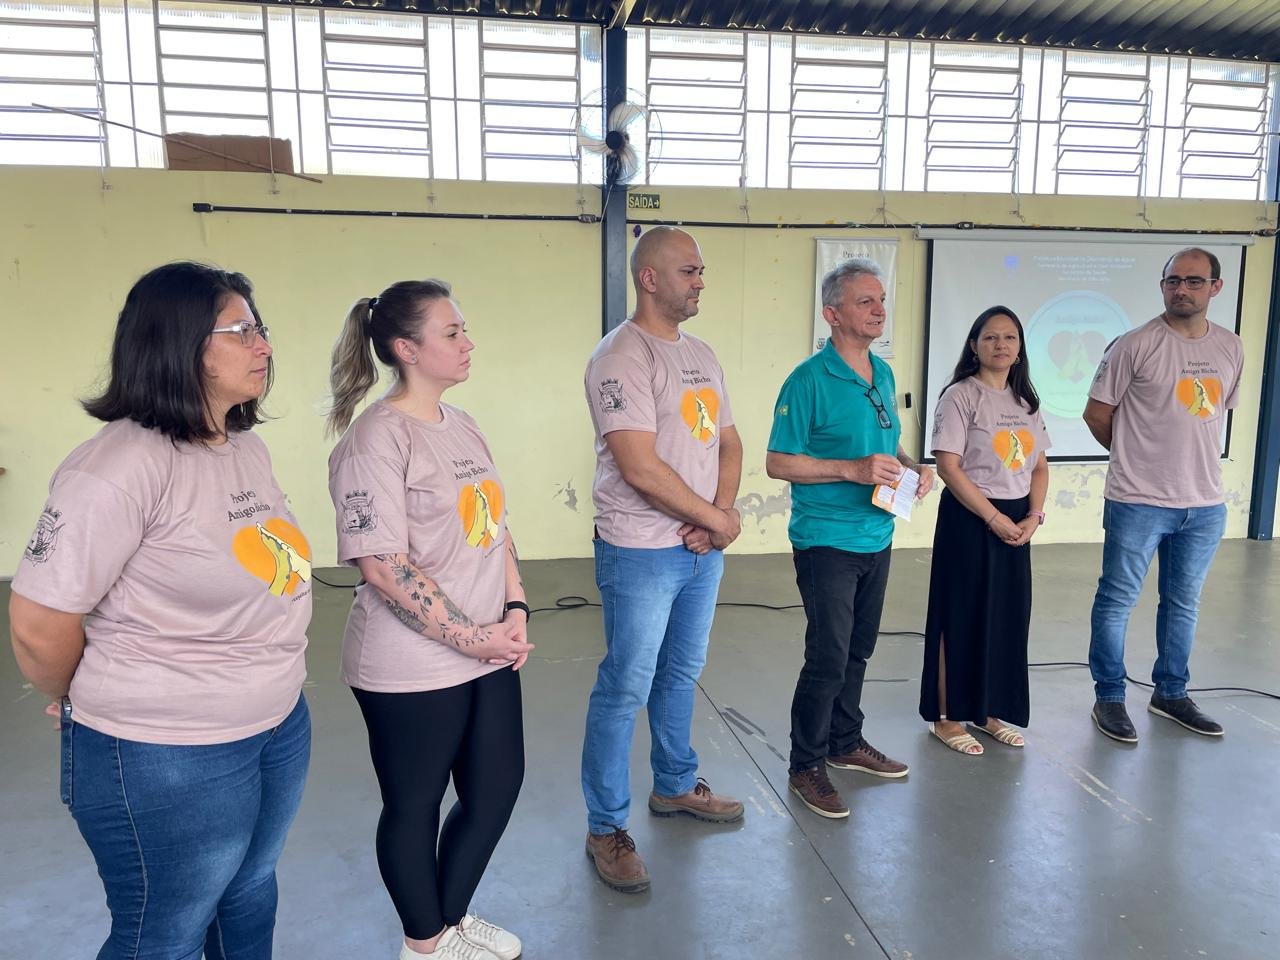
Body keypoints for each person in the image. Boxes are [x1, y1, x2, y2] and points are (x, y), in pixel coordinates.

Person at [8, 261, 313, 960]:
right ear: (179, 343)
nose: (264, 345)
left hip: (275, 723)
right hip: (169, 751)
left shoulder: (245, 449)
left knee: (249, 891)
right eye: (241, 331)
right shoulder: (117, 468)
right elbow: (37, 624)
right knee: (164, 933)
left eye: (260, 328)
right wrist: (82, 699)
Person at [326, 279, 531, 960]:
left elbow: (496, 528)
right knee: (414, 804)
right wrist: (474, 638)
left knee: (495, 789)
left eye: (463, 329)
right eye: (452, 332)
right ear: (407, 349)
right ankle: (425, 944)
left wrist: (515, 609)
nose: (468, 342)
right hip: (409, 663)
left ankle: (449, 919)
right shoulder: (375, 440)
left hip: (487, 644)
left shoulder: (462, 425)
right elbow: (384, 566)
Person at [581, 226, 745, 894]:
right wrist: (716, 520)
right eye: (688, 271)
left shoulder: (701, 353)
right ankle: (605, 827)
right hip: (640, 550)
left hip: (700, 549)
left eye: (701, 271)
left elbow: (729, 442)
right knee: (626, 684)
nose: (700, 281)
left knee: (681, 673)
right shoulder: (620, 357)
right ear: (649, 279)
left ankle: (674, 784)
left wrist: (720, 516)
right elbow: (639, 466)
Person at [766, 256, 934, 820]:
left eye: (881, 299)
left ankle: (844, 741)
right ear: (832, 314)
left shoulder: (881, 372)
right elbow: (778, 461)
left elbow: (886, 444)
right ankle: (805, 765)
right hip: (826, 541)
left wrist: (912, 467)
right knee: (828, 657)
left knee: (858, 650)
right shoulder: (807, 381)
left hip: (877, 534)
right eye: (865, 301)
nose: (879, 310)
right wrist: (852, 470)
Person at [1083, 247, 1243, 742]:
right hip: (1138, 500)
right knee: (1117, 600)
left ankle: (1171, 693)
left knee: (1183, 603)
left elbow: (1213, 417)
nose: (1182, 290)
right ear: (1163, 286)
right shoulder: (1134, 344)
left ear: (1215, 287)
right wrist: (1137, 458)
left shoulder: (1231, 347)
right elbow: (1096, 414)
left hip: (1205, 503)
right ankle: (1110, 697)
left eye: (1194, 281)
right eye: (1173, 281)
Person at [920, 306, 1051, 755]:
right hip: (970, 517)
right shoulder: (960, 396)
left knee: (1005, 616)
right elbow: (948, 466)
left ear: (1020, 348)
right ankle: (947, 717)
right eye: (991, 337)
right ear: (974, 346)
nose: (1001, 345)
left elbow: (1039, 467)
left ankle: (990, 711)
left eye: (1010, 337)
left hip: (1017, 520)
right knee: (958, 615)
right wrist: (992, 517)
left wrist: (1033, 516)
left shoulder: (1026, 401)